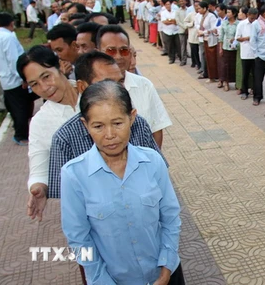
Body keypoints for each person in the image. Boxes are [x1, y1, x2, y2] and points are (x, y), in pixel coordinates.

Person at [61, 80, 184, 285]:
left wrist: (165, 269)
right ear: (85, 125)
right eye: (98, 126)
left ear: (132, 118)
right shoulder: (74, 175)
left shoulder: (152, 161)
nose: (110, 135)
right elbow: (79, 239)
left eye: (118, 123)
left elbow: (170, 218)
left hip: (166, 274)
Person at [48, 51, 165, 200]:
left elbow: (159, 179)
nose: (117, 90)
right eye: (107, 83)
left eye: (120, 82)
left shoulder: (138, 123)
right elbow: (65, 200)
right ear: (82, 87)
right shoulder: (64, 138)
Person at [17, 45, 80, 222]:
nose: (44, 88)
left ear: (60, 66)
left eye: (46, 76)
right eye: (34, 84)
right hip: (84, 207)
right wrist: (39, 189)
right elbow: (39, 169)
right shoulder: (41, 122)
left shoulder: (95, 93)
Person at [96, 24, 172, 148]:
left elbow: (156, 128)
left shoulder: (144, 85)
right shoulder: (89, 88)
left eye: (124, 51)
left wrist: (154, 161)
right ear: (98, 52)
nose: (118, 56)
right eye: (111, 51)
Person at [0, 13, 34, 145]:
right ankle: (21, 135)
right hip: (15, 79)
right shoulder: (8, 37)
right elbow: (13, 60)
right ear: (11, 23)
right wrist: (23, 78)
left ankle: (20, 132)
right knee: (21, 108)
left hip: (5, 79)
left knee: (15, 107)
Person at [250, 4, 265, 106]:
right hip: (260, 56)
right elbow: (253, 40)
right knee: (258, 78)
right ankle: (257, 97)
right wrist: (256, 54)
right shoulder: (256, 24)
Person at [235, 7, 257, 99]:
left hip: (256, 53)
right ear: (248, 15)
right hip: (246, 53)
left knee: (256, 74)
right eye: (251, 18)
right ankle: (244, 91)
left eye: (255, 18)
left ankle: (255, 90)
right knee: (245, 73)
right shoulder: (242, 24)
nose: (253, 20)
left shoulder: (258, 24)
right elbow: (237, 38)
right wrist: (247, 38)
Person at [218, 6, 239, 91]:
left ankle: (236, 82)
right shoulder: (224, 23)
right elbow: (221, 36)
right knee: (225, 65)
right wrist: (220, 48)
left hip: (235, 47)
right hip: (226, 47)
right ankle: (226, 82)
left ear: (234, 14)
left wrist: (235, 39)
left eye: (229, 12)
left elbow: (239, 35)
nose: (227, 14)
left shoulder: (238, 24)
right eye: (227, 12)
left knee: (234, 65)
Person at [197, 1, 218, 82]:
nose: (198, 10)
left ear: (205, 8)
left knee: (211, 59)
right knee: (207, 59)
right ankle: (210, 75)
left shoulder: (211, 16)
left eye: (199, 8)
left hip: (211, 40)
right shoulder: (202, 16)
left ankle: (213, 76)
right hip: (205, 39)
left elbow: (213, 29)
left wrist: (204, 32)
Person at [161, 0, 180, 65]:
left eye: (169, 4)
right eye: (166, 4)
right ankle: (171, 58)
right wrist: (171, 21)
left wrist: (169, 20)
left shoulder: (175, 11)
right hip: (167, 31)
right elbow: (164, 22)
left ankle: (180, 57)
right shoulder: (163, 12)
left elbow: (176, 21)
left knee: (178, 45)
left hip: (175, 31)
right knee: (169, 46)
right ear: (165, 5)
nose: (168, 6)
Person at [176, 0, 188, 66]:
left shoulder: (189, 10)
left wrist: (187, 28)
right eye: (180, 1)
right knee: (183, 46)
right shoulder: (177, 11)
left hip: (190, 30)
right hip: (181, 30)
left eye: (183, 1)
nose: (182, 2)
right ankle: (183, 60)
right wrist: (184, 27)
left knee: (192, 46)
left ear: (185, 1)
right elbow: (178, 21)